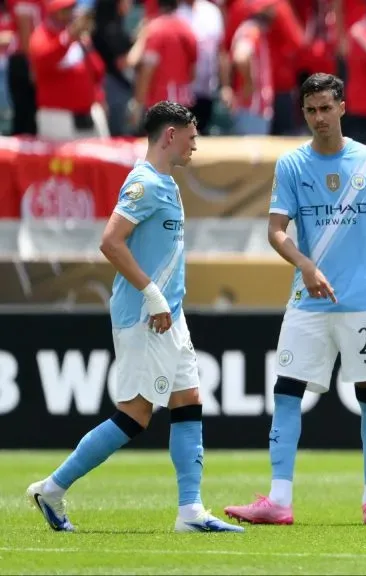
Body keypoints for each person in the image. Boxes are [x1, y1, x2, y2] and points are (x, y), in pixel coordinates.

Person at [26, 102, 242, 534]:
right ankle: (51, 488)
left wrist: (167, 303)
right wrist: (153, 295)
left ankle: (191, 512)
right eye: (191, 134)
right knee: (134, 416)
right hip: (147, 318)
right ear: (170, 135)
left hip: (169, 317)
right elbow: (110, 242)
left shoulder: (168, 182)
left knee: (188, 401)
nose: (196, 142)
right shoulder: (143, 184)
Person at [224, 73, 366, 527]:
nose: (319, 118)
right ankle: (279, 499)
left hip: (365, 302)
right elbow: (274, 231)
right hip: (308, 302)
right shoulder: (291, 165)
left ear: (342, 107)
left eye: (326, 108)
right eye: (311, 110)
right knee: (287, 393)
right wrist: (306, 266)